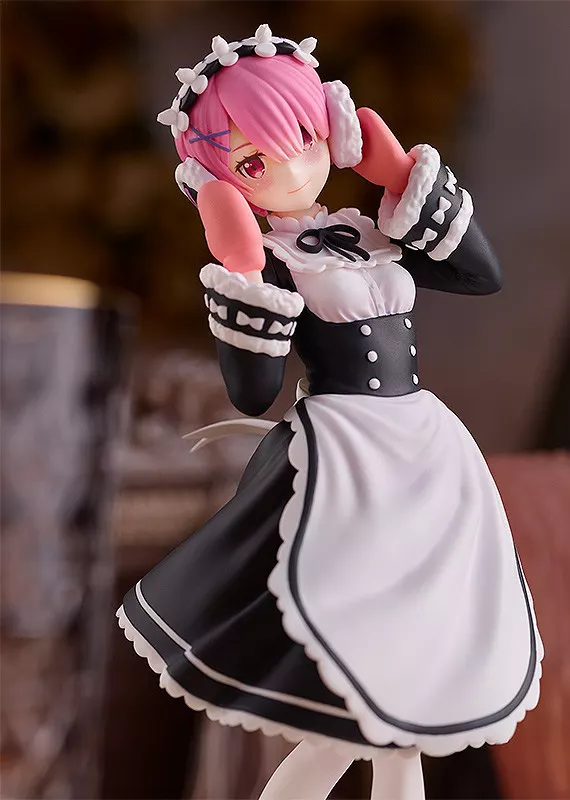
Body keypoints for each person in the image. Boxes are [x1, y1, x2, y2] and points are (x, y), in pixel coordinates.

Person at [117, 25, 542, 800]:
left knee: (392, 708)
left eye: (306, 138)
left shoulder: (369, 231)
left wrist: (403, 176)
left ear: (337, 129)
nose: (288, 169)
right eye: (253, 163)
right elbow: (253, 392)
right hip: (344, 463)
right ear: (217, 181)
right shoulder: (277, 261)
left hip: (424, 452)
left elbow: (481, 275)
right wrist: (244, 271)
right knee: (367, 705)